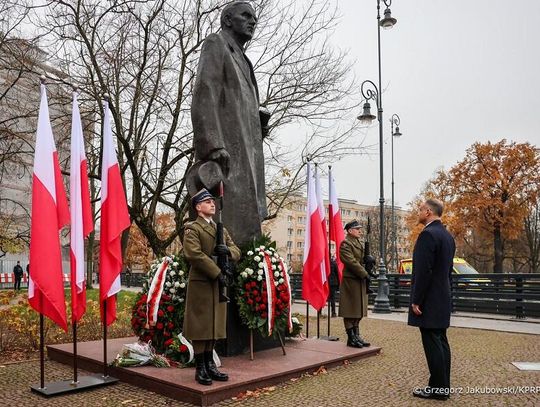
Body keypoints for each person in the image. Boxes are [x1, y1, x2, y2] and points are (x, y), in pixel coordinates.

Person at [189, 1, 269, 247]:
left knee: (247, 213)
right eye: (246, 16)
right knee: (229, 212)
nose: (252, 21)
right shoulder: (216, 44)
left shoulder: (245, 62)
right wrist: (213, 145)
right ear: (227, 20)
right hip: (226, 154)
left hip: (248, 154)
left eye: (254, 18)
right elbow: (205, 92)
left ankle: (248, 267)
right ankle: (234, 270)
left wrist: (259, 125)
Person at [183, 188, 241, 386]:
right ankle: (200, 367)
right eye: (207, 202)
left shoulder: (220, 229)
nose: (212, 204)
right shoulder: (193, 228)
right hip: (202, 283)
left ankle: (210, 363)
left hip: (218, 284)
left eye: (213, 202)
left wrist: (228, 251)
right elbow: (194, 255)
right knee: (201, 326)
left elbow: (236, 249)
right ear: (198, 207)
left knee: (214, 324)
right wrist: (217, 272)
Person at [408, 198, 456, 401]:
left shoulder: (427, 235)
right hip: (442, 296)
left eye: (420, 209)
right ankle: (443, 387)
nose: (418, 213)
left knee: (432, 343)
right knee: (441, 342)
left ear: (428, 211)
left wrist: (417, 300)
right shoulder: (447, 236)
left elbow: (423, 271)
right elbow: (446, 271)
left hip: (429, 299)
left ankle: (437, 390)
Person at [339, 220, 370, 348]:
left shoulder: (357, 242)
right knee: (350, 310)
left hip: (358, 279)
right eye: (357, 229)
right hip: (351, 280)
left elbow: (360, 260)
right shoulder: (346, 244)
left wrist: (368, 260)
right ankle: (351, 337)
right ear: (350, 231)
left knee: (359, 310)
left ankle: (356, 336)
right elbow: (351, 262)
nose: (360, 231)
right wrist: (365, 273)